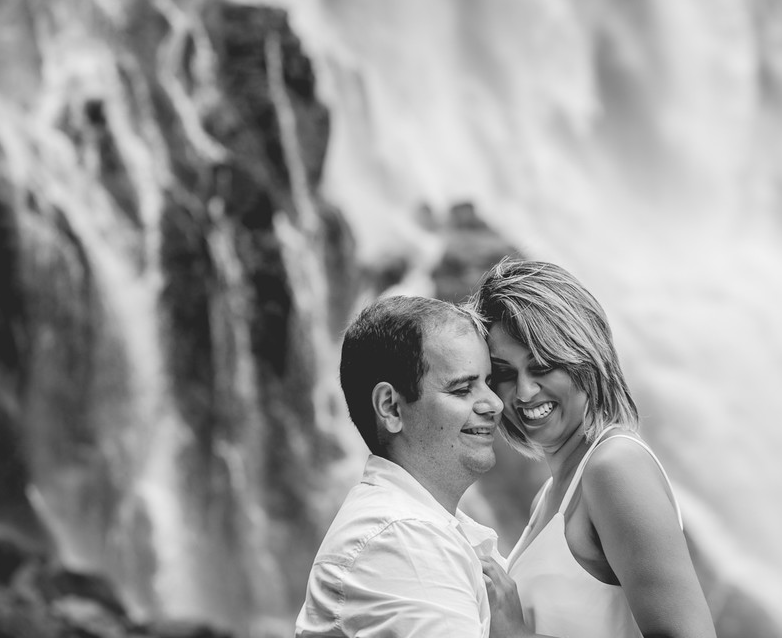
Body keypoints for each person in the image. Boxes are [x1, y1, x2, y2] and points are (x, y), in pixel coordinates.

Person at [469, 259, 717, 638]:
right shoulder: (552, 495)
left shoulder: (614, 467)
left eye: (543, 365)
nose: (523, 392)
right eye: (504, 373)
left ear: (585, 358)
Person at [295, 295, 505, 638]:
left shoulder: (420, 528)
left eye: (489, 382)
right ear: (391, 408)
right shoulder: (403, 541)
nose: (495, 404)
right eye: (463, 388)